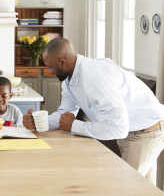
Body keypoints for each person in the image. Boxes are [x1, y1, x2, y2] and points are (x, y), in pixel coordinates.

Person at [23, 37, 164, 184]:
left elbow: (118, 128)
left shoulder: (94, 78)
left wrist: (75, 126)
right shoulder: (69, 79)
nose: (49, 70)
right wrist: (38, 122)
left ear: (62, 62)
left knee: (125, 186)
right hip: (130, 130)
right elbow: (64, 113)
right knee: (144, 188)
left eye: (50, 66)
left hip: (147, 131)